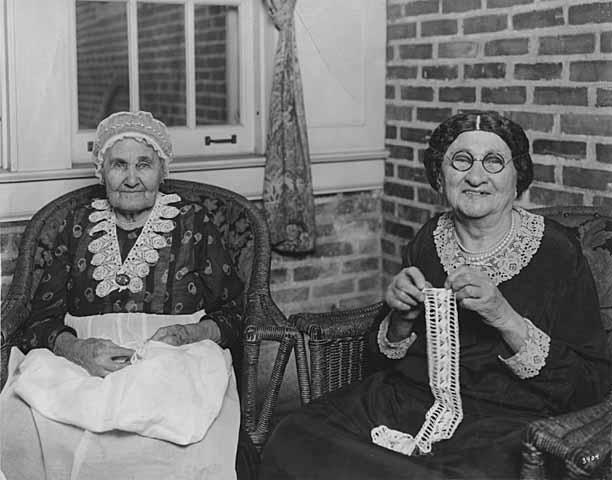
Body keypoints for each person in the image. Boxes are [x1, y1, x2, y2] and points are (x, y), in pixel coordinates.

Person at [259, 111, 611, 479]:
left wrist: (504, 317)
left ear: (517, 175)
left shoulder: (556, 251)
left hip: (503, 419)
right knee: (294, 434)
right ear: (440, 176)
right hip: (406, 398)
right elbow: (381, 358)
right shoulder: (429, 239)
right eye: (461, 161)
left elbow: (591, 384)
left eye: (494, 162)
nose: (476, 176)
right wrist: (400, 318)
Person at [0, 111, 258, 479]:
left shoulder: (194, 222)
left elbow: (236, 313)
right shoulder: (74, 226)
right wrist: (77, 350)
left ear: (162, 170)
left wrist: (190, 335)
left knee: (169, 439)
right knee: (30, 419)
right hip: (85, 363)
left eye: (144, 165)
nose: (132, 178)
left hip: (175, 361)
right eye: (119, 165)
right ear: (100, 171)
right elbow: (39, 320)